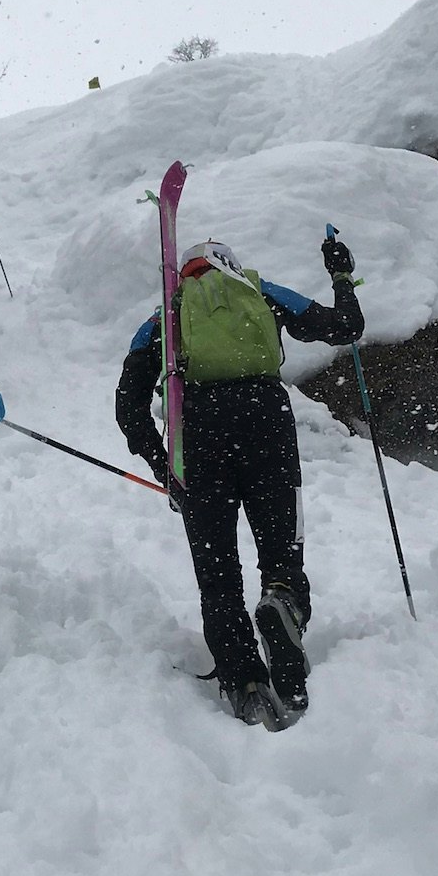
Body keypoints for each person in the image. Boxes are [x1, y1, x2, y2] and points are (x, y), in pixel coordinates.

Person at [115, 231, 364, 728]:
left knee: (218, 573)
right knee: (281, 547)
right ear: (227, 264)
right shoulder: (259, 290)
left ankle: (244, 682)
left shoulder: (164, 317)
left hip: (199, 435)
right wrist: (341, 274)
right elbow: (345, 328)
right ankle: (283, 601)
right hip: (266, 419)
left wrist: (167, 470)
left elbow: (128, 408)